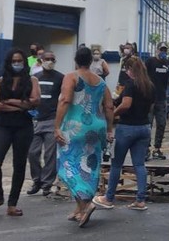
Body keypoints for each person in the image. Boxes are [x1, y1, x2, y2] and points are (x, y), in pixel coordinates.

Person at [55, 46, 115, 227]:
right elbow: (109, 106)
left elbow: (65, 100)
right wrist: (109, 129)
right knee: (89, 167)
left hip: (75, 127)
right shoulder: (101, 82)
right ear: (90, 61)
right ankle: (79, 209)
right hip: (96, 128)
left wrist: (57, 126)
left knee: (68, 165)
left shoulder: (71, 77)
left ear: (76, 60)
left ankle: (87, 205)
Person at [0, 48, 40, 218]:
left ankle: (12, 204)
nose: (17, 64)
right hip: (3, 126)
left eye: (19, 61)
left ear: (24, 62)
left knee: (19, 165)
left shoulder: (32, 80)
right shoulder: (1, 81)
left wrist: (8, 102)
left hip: (23, 127)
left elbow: (35, 101)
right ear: (9, 63)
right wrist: (20, 105)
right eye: (14, 61)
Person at [93, 57, 156, 211]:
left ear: (130, 69)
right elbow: (151, 106)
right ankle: (140, 200)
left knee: (116, 164)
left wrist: (113, 114)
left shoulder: (131, 84)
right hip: (144, 127)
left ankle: (108, 198)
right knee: (139, 164)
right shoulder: (149, 86)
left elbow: (126, 104)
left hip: (127, 128)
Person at [27, 51, 62, 197]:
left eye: (52, 59)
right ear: (41, 60)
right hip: (36, 120)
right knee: (32, 153)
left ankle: (47, 184)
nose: (50, 61)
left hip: (52, 120)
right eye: (47, 59)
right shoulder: (34, 78)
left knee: (50, 155)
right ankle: (37, 180)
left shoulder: (60, 78)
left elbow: (64, 99)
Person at [147, 42, 169, 160]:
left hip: (161, 98)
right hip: (149, 99)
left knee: (161, 124)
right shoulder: (150, 62)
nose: (163, 52)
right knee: (148, 124)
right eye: (161, 49)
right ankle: (146, 149)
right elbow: (142, 76)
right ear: (157, 50)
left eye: (164, 50)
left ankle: (157, 149)